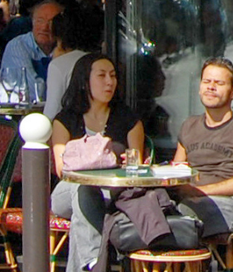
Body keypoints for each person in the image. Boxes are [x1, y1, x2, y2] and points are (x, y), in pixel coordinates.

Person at [52, 54, 173, 272]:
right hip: (66, 193)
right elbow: (63, 169)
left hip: (111, 192)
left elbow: (136, 166)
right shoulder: (64, 120)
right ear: (83, 81)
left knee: (85, 212)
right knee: (83, 189)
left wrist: (128, 163)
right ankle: (94, 260)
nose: (110, 82)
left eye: (113, 76)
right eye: (101, 75)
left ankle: (89, 266)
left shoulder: (128, 120)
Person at [171, 57, 233, 240]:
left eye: (219, 83)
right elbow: (176, 172)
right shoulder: (188, 126)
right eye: (206, 81)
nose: (211, 87)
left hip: (230, 205)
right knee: (144, 205)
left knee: (185, 215)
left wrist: (201, 192)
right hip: (188, 202)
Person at [0, 0, 59, 105]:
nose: (44, 27)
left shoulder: (66, 48)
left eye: (52, 22)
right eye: (40, 20)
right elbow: (32, 92)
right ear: (32, 22)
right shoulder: (18, 46)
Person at [42, 3, 89, 121]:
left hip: (69, 129)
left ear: (56, 36)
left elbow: (52, 111)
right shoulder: (97, 60)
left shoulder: (58, 66)